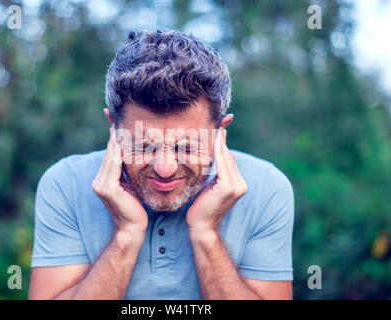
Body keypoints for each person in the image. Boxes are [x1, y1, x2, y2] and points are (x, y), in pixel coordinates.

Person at [28, 30, 294, 300]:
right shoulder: (65, 183)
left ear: (220, 131)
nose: (165, 169)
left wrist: (206, 234)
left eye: (187, 146)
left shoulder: (267, 188)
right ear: (113, 127)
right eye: (144, 145)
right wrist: (127, 234)